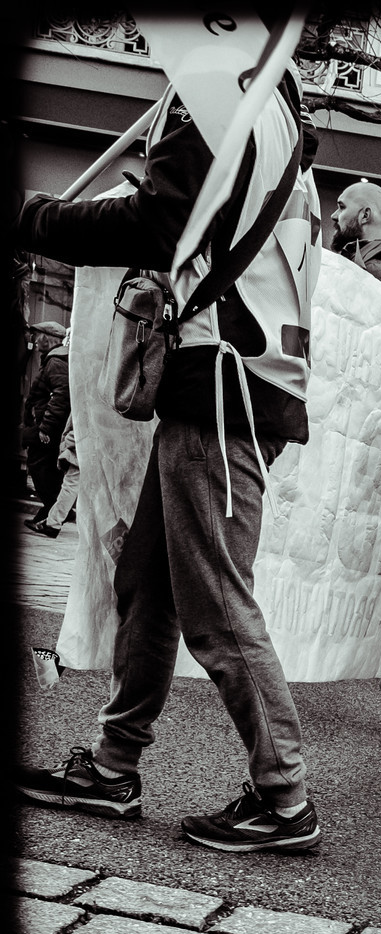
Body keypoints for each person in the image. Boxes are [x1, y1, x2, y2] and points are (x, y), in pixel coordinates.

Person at [19, 73, 323, 852]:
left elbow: (162, 221)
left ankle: (284, 799)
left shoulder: (224, 93)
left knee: (217, 605)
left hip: (224, 382)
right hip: (236, 377)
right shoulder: (270, 111)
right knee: (149, 584)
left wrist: (34, 218)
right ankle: (114, 767)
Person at [22, 321, 70, 530]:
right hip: (43, 426)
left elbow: (61, 397)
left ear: (46, 338)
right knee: (43, 470)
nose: (34, 339)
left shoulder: (56, 362)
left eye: (37, 334)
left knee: (40, 469)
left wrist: (45, 428)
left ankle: (54, 511)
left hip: (46, 429)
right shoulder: (54, 359)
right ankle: (50, 512)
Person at [39, 416, 79, 537]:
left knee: (71, 485)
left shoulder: (87, 398)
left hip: (85, 446)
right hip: (102, 448)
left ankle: (53, 523)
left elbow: (77, 425)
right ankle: (52, 522)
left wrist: (67, 441)